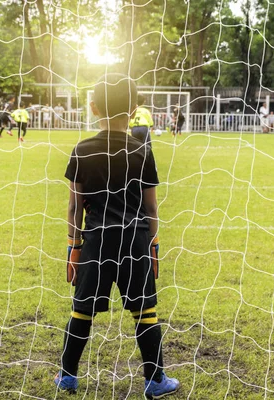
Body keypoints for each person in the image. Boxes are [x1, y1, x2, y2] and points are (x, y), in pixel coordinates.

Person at [55, 73, 180, 398]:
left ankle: (67, 376)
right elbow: (151, 209)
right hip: (135, 242)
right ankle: (155, 381)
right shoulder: (142, 151)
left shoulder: (82, 149)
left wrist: (74, 248)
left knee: (81, 311)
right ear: (136, 108)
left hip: (96, 243)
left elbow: (74, 208)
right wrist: (153, 246)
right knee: (145, 313)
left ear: (93, 108)